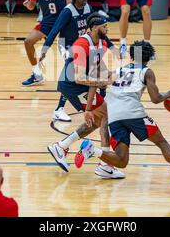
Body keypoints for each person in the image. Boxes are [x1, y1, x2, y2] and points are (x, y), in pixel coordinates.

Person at [75, 41, 170, 192]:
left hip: (114, 114)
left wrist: (88, 108)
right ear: (149, 57)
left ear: (133, 55)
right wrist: (168, 94)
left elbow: (95, 82)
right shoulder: (147, 71)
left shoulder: (119, 70)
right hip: (132, 112)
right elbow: (155, 99)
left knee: (121, 161)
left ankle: (92, 150)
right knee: (161, 142)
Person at [47, 13, 125, 179]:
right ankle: (105, 165)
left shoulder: (101, 43)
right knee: (104, 114)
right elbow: (80, 77)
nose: (107, 29)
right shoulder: (82, 44)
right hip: (71, 85)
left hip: (82, 85)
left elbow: (98, 70)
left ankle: (62, 146)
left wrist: (119, 75)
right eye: (105, 27)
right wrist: (100, 83)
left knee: (99, 120)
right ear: (95, 28)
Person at [39, 0, 116, 122]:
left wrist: (111, 47)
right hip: (67, 46)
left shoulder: (88, 8)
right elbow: (55, 30)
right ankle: (59, 109)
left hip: (84, 43)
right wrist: (45, 48)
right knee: (71, 72)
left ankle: (101, 97)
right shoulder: (67, 11)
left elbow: (99, 28)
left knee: (97, 69)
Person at [22, 0, 71, 87]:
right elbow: (32, 6)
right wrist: (29, 4)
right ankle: (37, 74)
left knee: (67, 52)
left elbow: (73, 2)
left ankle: (77, 76)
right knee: (28, 41)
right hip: (47, 22)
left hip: (64, 21)